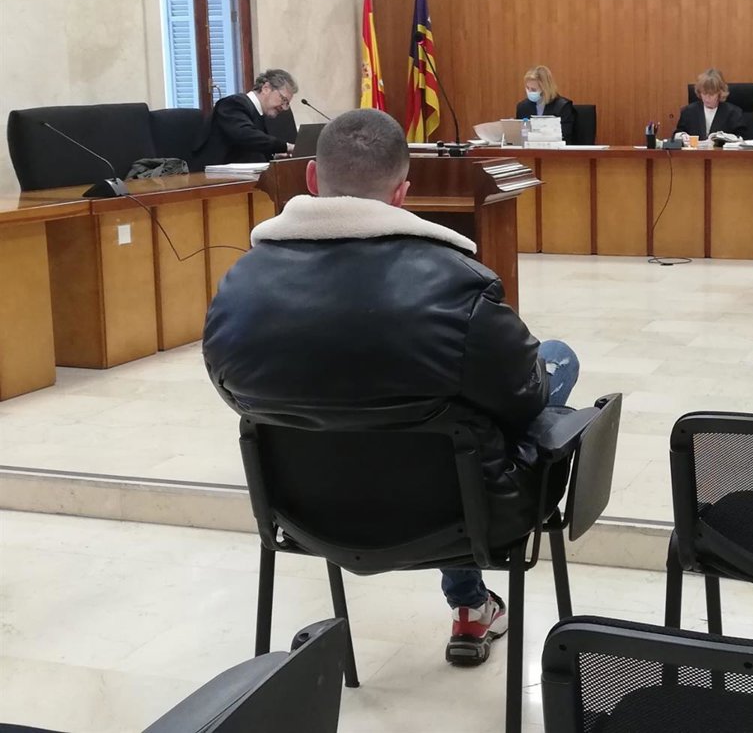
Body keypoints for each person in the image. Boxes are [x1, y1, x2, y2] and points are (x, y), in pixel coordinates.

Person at [202, 108, 580, 668]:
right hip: (460, 517)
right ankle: (470, 603)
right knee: (552, 363)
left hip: (301, 513)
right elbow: (522, 401)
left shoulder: (239, 286)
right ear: (402, 193)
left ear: (311, 179)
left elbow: (234, 392)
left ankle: (471, 601)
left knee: (438, 411)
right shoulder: (459, 285)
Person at [199, 69, 297, 163]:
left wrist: (273, 157)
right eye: (283, 99)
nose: (284, 108)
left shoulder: (259, 113)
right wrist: (286, 147)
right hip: (211, 172)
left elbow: (250, 150)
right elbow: (246, 136)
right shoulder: (233, 103)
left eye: (287, 104)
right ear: (266, 88)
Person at [674, 68, 748, 140]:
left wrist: (728, 138)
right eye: (704, 93)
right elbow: (678, 133)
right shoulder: (688, 111)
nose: (707, 98)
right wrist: (682, 136)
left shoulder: (733, 112)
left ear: (720, 93)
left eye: (711, 94)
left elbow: (743, 138)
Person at [515, 65, 576, 144]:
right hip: (529, 149)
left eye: (533, 89)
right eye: (527, 88)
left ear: (545, 89)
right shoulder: (522, 107)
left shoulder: (562, 107)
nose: (529, 92)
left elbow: (565, 136)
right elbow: (520, 136)